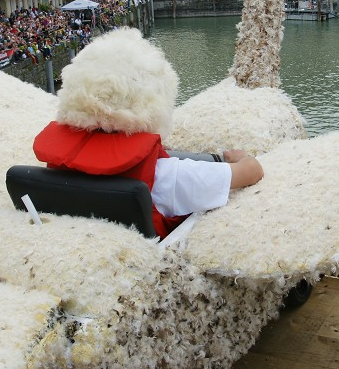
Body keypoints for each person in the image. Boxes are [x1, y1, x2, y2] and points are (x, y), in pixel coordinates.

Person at [33, 28, 263, 239]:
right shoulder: (168, 175)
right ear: (156, 104)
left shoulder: (58, 168)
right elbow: (252, 172)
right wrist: (240, 157)